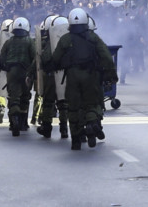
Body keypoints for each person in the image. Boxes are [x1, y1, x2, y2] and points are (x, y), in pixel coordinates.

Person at [50, 8, 117, 150]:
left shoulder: (65, 39)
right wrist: (111, 74)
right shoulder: (93, 38)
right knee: (92, 103)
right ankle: (92, 123)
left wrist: (51, 69)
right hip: (91, 75)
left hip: (72, 76)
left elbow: (55, 59)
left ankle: (75, 139)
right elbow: (106, 56)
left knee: (73, 107)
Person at [0, 17, 36, 137]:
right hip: (26, 72)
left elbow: (1, 56)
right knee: (25, 97)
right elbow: (35, 57)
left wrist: (6, 67)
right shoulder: (30, 41)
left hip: (12, 71)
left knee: (14, 97)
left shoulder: (9, 41)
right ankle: (23, 123)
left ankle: (13, 120)